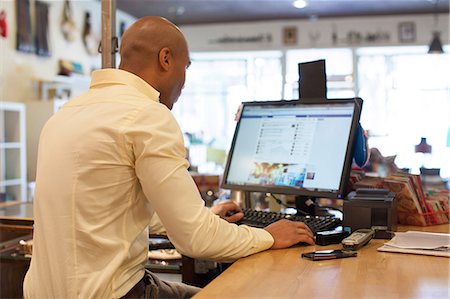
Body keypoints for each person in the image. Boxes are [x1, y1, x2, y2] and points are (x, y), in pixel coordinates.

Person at [23, 16, 314, 299]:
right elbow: (196, 240)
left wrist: (201, 216)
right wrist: (271, 236)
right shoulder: (148, 115)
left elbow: (108, 208)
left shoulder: (65, 115)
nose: (184, 82)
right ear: (165, 59)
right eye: (184, 67)